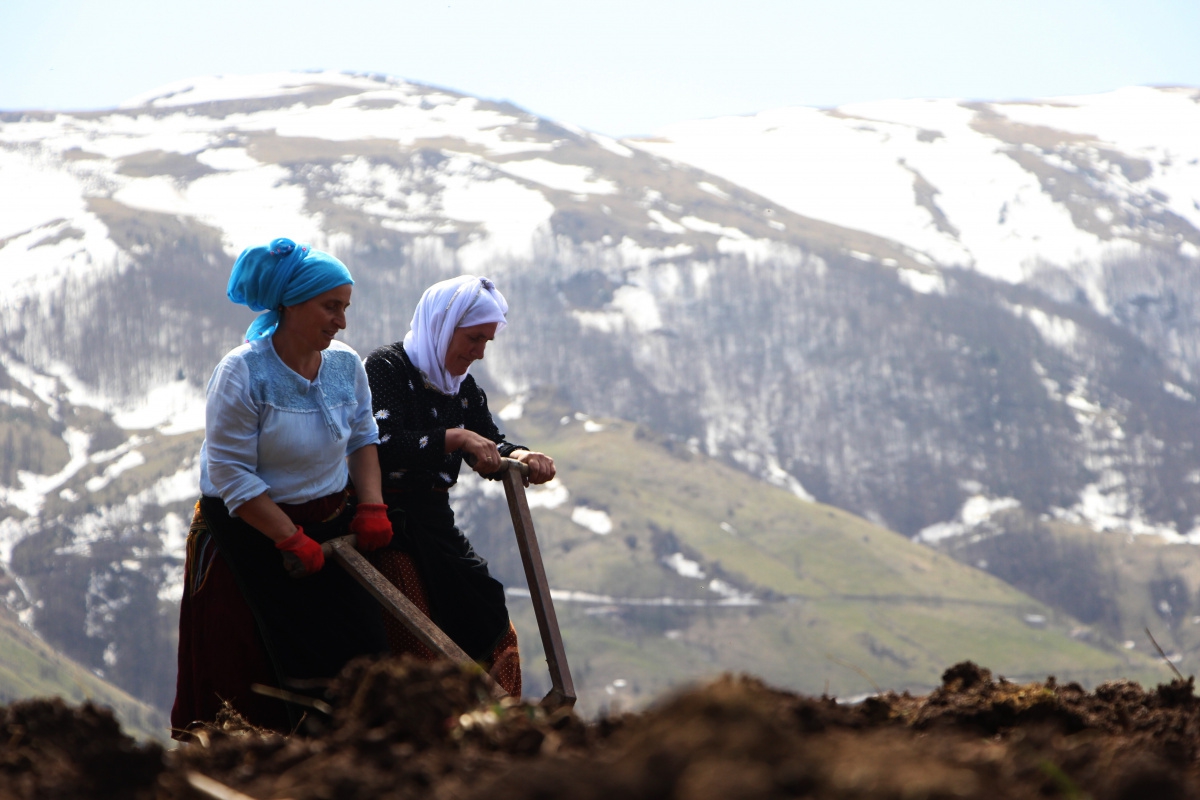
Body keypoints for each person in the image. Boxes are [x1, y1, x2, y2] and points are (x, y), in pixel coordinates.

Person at [171, 238, 393, 736]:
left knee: (359, 652)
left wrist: (372, 505)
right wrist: (288, 537)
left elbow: (362, 436)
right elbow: (230, 473)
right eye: (330, 307)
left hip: (331, 521)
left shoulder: (345, 365)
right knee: (261, 663)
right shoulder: (243, 372)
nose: (341, 322)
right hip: (251, 530)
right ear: (291, 303)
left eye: (345, 308)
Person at [363, 275, 555, 696]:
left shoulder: (463, 389)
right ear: (443, 327)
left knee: (486, 606)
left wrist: (519, 457)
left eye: (487, 341)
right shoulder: (387, 368)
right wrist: (456, 437)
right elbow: (384, 443)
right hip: (384, 515)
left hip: (433, 519)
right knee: (409, 606)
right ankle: (432, 715)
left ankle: (500, 715)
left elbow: (488, 438)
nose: (479, 352)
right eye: (472, 338)